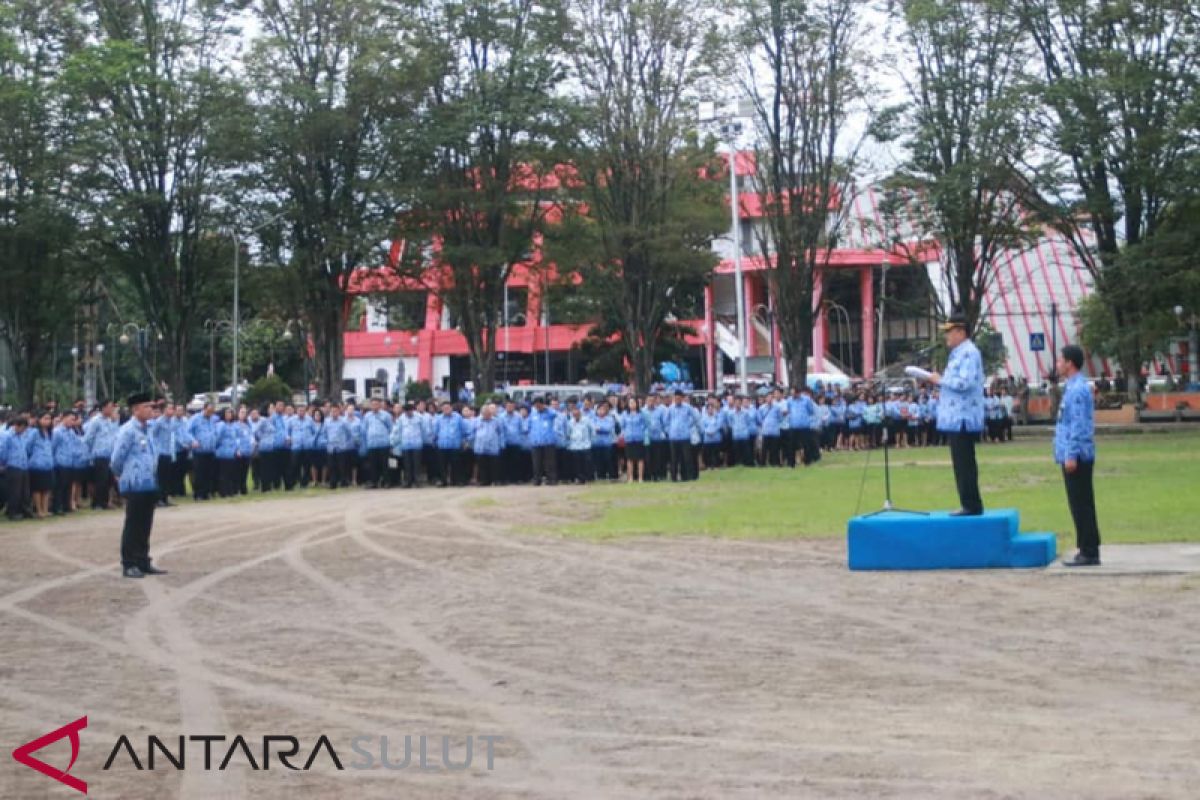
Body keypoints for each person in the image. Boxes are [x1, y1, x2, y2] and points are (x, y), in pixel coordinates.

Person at [929, 311, 986, 516]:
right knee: (960, 463)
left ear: (961, 332)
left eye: (950, 332)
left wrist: (940, 380)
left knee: (965, 462)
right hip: (955, 416)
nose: (947, 336)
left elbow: (965, 383)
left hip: (963, 415)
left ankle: (971, 504)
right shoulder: (958, 353)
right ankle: (968, 502)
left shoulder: (969, 353)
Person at [110, 393, 167, 579]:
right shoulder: (127, 431)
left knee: (145, 524)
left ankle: (143, 560)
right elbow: (116, 459)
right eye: (147, 407)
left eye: (152, 406)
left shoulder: (148, 429)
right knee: (133, 525)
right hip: (134, 483)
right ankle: (129, 563)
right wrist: (121, 475)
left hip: (149, 482)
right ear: (136, 410)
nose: (152, 410)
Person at [1055, 345, 1102, 567]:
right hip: (1073, 453)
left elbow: (1078, 425)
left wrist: (1071, 454)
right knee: (1080, 503)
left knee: (1081, 503)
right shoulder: (1073, 387)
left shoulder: (1077, 390)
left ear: (1069, 363)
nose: (1057, 364)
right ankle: (1087, 547)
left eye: (1060, 360)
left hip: (1077, 455)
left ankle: (1088, 550)